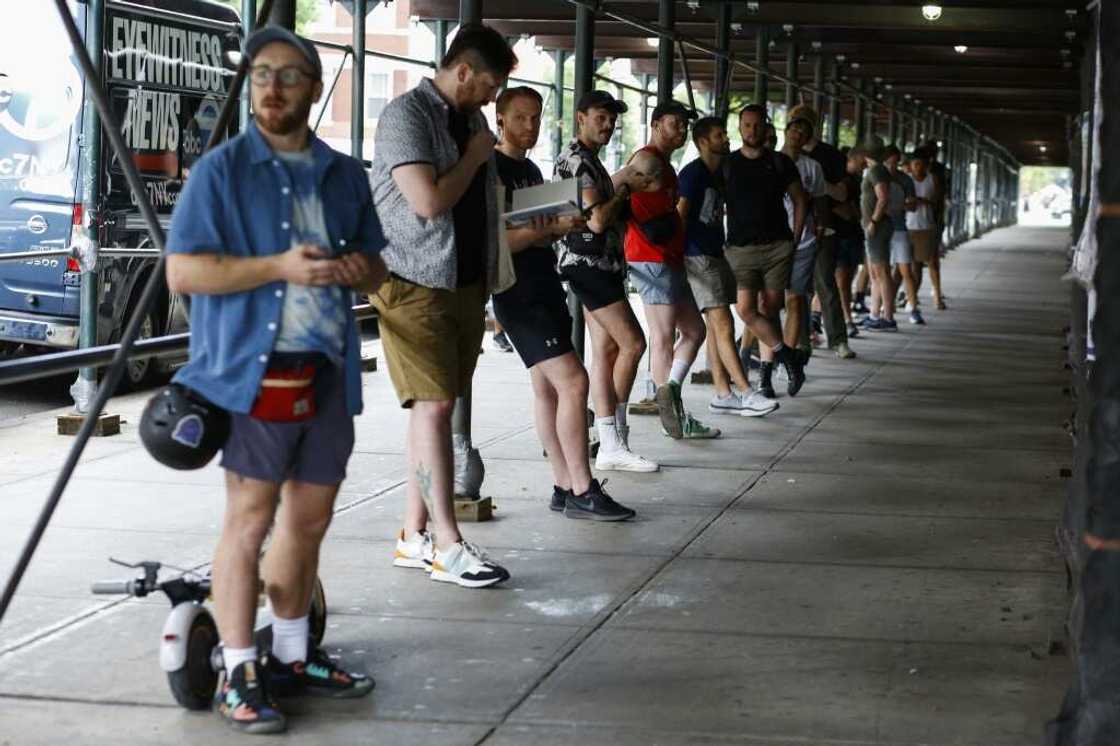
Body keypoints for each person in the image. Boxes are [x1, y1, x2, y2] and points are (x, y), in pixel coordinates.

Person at [164, 27, 383, 733]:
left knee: (310, 520)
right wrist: (278, 267)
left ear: (315, 87)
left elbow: (377, 264)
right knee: (248, 521)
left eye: (289, 75)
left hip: (325, 372)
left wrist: (358, 271)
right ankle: (237, 670)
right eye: (262, 75)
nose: (273, 88)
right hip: (251, 375)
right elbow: (185, 273)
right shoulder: (221, 172)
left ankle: (291, 655)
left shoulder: (345, 174)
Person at [369, 24, 514, 588]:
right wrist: (476, 158)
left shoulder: (473, 120)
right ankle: (448, 545)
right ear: (463, 71)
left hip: (462, 282)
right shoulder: (408, 116)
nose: (494, 97)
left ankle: (413, 534)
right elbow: (427, 201)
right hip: (412, 280)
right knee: (433, 409)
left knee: (432, 410)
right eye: (492, 83)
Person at [490, 86, 636, 521]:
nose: (529, 126)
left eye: (535, 118)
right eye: (520, 118)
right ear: (500, 119)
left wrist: (552, 227)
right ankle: (582, 487)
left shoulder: (531, 169)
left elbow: (534, 229)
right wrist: (548, 227)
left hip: (542, 282)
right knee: (574, 382)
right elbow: (498, 241)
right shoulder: (491, 170)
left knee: (547, 388)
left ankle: (562, 483)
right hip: (518, 293)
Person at [555, 90, 659, 472]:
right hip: (589, 264)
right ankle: (614, 438)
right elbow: (596, 220)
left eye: (612, 118)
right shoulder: (579, 161)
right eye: (601, 116)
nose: (609, 124)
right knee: (634, 343)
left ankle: (611, 440)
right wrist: (626, 190)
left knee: (607, 352)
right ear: (580, 117)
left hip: (598, 265)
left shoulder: (590, 161)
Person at [624, 101, 720, 440]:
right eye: (674, 123)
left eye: (683, 125)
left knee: (694, 331)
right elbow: (631, 203)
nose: (680, 130)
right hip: (651, 257)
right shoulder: (647, 160)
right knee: (663, 336)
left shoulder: (663, 163)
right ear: (655, 123)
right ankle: (672, 416)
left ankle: (671, 393)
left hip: (668, 257)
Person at [677, 116, 777, 418]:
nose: (727, 139)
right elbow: (679, 217)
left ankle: (722, 393)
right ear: (703, 141)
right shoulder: (693, 174)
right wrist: (680, 257)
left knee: (716, 326)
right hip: (697, 256)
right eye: (720, 135)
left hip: (715, 252)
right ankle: (746, 392)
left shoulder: (718, 173)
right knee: (723, 323)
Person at [723, 104, 809, 399]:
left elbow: (800, 200)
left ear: (767, 128)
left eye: (758, 125)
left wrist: (795, 239)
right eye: (747, 125)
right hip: (740, 249)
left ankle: (766, 377)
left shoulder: (781, 163)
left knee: (770, 309)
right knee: (746, 309)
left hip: (776, 247)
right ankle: (789, 357)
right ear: (739, 128)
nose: (752, 131)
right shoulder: (728, 164)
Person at [788, 104, 854, 360]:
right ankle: (802, 341)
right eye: (795, 123)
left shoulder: (829, 156)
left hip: (821, 229)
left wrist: (812, 183)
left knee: (826, 284)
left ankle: (837, 339)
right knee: (797, 291)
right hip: (790, 232)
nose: (799, 130)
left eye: (803, 124)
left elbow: (841, 193)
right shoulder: (780, 157)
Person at [780, 114, 830, 363]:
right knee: (765, 302)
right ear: (786, 131)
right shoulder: (771, 162)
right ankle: (763, 350)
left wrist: (820, 228)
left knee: (795, 297)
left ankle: (788, 355)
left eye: (803, 133)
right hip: (773, 240)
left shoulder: (812, 167)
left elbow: (821, 200)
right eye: (794, 130)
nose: (797, 135)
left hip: (804, 241)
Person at [859, 137, 897, 332]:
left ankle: (888, 316)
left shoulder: (876, 171)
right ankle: (875, 314)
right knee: (875, 273)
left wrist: (873, 221)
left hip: (878, 227)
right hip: (874, 226)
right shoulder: (877, 170)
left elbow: (883, 198)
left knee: (881, 272)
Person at [883, 145, 923, 325]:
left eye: (895, 163)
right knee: (881, 272)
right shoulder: (875, 177)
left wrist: (897, 206)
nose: (892, 167)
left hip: (899, 228)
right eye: (888, 163)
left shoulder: (905, 180)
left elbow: (913, 206)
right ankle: (886, 308)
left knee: (905, 270)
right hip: (881, 231)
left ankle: (913, 308)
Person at [833, 146, 868, 339]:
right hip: (843, 234)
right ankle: (846, 319)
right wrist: (853, 213)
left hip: (852, 233)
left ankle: (845, 318)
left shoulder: (856, 179)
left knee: (846, 279)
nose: (865, 163)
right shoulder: (843, 180)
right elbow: (838, 206)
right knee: (842, 281)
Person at [910, 146, 947, 310]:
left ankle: (937, 296)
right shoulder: (907, 180)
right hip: (909, 226)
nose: (918, 167)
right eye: (915, 164)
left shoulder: (933, 179)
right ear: (911, 165)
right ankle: (913, 297)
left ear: (926, 165)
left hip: (928, 226)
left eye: (921, 164)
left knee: (933, 262)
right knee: (914, 266)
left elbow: (938, 202)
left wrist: (922, 201)